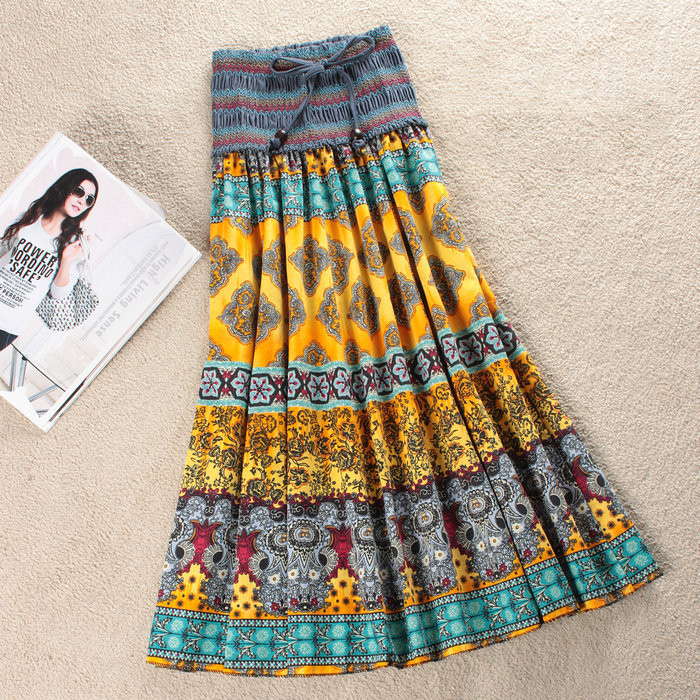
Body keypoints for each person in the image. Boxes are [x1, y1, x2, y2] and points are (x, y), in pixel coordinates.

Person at [0, 168, 98, 352]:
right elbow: (2, 249)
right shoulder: (30, 217)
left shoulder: (75, 244)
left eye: (89, 199)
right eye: (79, 191)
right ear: (64, 187)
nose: (81, 201)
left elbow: (58, 294)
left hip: (8, 325)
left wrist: (67, 259)